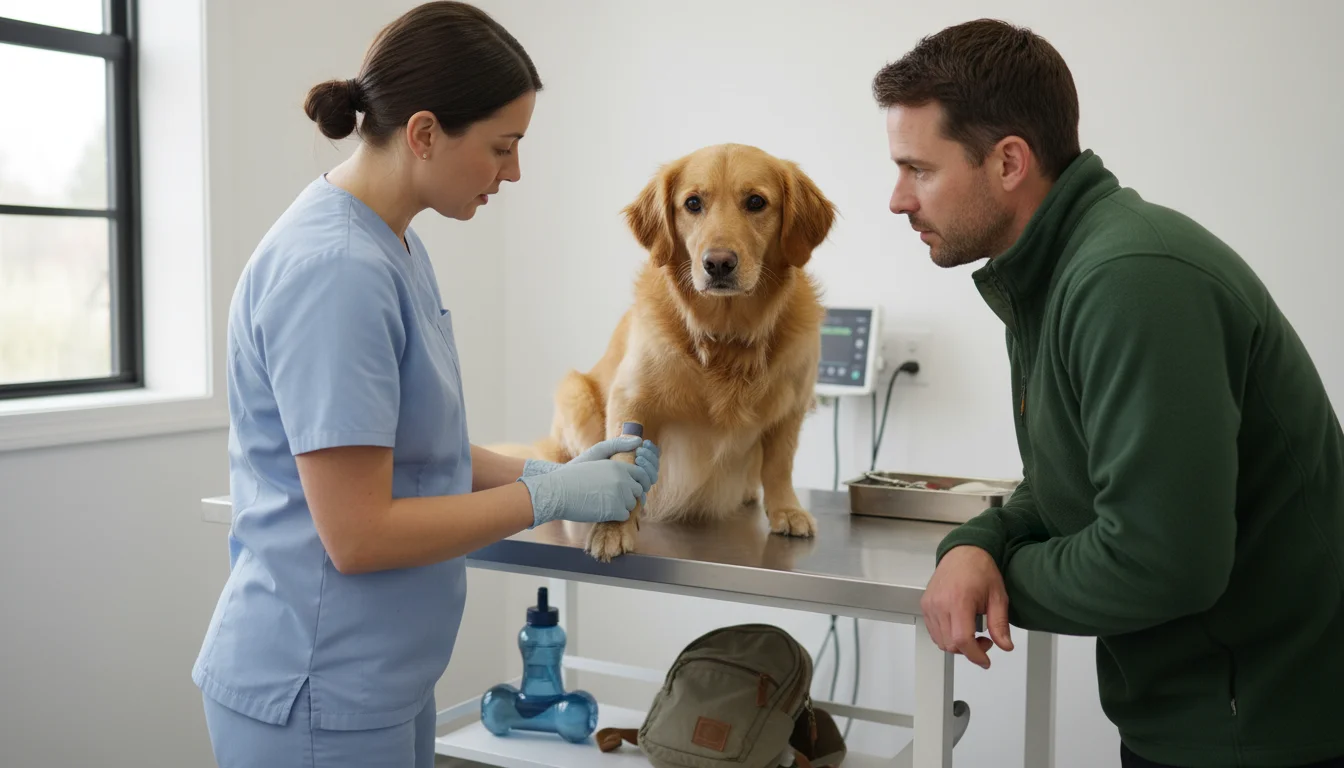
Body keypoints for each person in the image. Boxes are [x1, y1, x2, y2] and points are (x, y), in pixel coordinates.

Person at [190, 4, 661, 766]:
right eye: (503, 147)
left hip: (379, 681)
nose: (514, 172)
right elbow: (359, 534)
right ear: (424, 133)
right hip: (316, 689)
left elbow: (412, 443)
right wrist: (549, 499)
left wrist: (550, 470)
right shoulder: (337, 271)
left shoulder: (390, 243)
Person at [874, 18, 1344, 768]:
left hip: (1259, 731)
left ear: (1008, 162)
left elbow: (1161, 562)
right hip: (1198, 716)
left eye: (918, 169)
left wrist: (995, 581)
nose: (898, 199)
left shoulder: (1130, 280)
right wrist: (977, 543)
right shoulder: (1050, 276)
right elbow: (1073, 487)